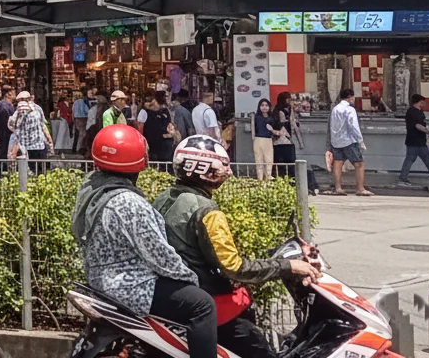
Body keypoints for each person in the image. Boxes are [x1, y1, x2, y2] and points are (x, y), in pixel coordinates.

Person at [155, 136, 321, 358]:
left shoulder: (164, 198)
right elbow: (233, 267)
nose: (228, 172)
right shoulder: (207, 212)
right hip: (206, 296)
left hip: (172, 292)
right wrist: (288, 266)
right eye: (222, 166)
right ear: (204, 169)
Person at [72, 126, 217, 358]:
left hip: (100, 279)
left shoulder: (93, 188)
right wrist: (191, 278)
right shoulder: (129, 201)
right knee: (202, 304)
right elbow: (159, 255)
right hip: (131, 286)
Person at [330, 88, 370, 196]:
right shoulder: (350, 109)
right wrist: (360, 140)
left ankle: (338, 188)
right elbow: (353, 126)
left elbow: (332, 125)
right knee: (359, 164)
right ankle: (360, 188)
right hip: (348, 140)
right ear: (350, 97)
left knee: (338, 163)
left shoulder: (335, 109)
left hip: (336, 140)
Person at [398, 94, 429, 188]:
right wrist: (428, 131)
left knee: (410, 160)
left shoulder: (413, 111)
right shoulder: (415, 112)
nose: (424, 103)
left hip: (413, 140)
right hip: (417, 141)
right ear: (419, 101)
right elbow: (417, 125)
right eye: (423, 101)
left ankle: (403, 178)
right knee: (427, 161)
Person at [9, 91, 51, 161]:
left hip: (28, 146)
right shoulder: (38, 108)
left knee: (32, 169)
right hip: (39, 145)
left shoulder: (20, 110)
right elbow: (43, 126)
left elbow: (11, 125)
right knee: (41, 169)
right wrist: (49, 141)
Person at [270, 92, 301, 179]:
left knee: (286, 163)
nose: (290, 101)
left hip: (285, 140)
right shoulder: (280, 111)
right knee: (285, 163)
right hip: (282, 140)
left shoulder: (286, 110)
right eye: (288, 99)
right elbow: (287, 123)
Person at [137, 94, 176, 164]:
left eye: (154, 104)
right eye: (150, 105)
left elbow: (170, 126)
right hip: (152, 144)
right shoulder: (144, 112)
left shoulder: (165, 111)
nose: (153, 106)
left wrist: (170, 134)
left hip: (165, 144)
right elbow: (140, 128)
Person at [251, 99, 275, 180]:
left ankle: (268, 178)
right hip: (258, 139)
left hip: (268, 140)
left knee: (269, 160)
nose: (264, 107)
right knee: (259, 161)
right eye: (262, 105)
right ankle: (260, 180)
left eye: (266, 105)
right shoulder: (256, 117)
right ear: (259, 107)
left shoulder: (272, 118)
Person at [0, 88, 15, 162]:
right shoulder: (5, 106)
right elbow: (7, 123)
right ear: (8, 94)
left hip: (1, 136)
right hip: (5, 137)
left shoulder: (0, 105)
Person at [73, 87, 93, 152]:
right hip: (83, 118)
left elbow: (73, 111)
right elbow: (86, 111)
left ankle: (76, 147)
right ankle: (79, 148)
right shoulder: (83, 102)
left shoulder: (75, 102)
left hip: (76, 118)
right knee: (83, 133)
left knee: (79, 133)